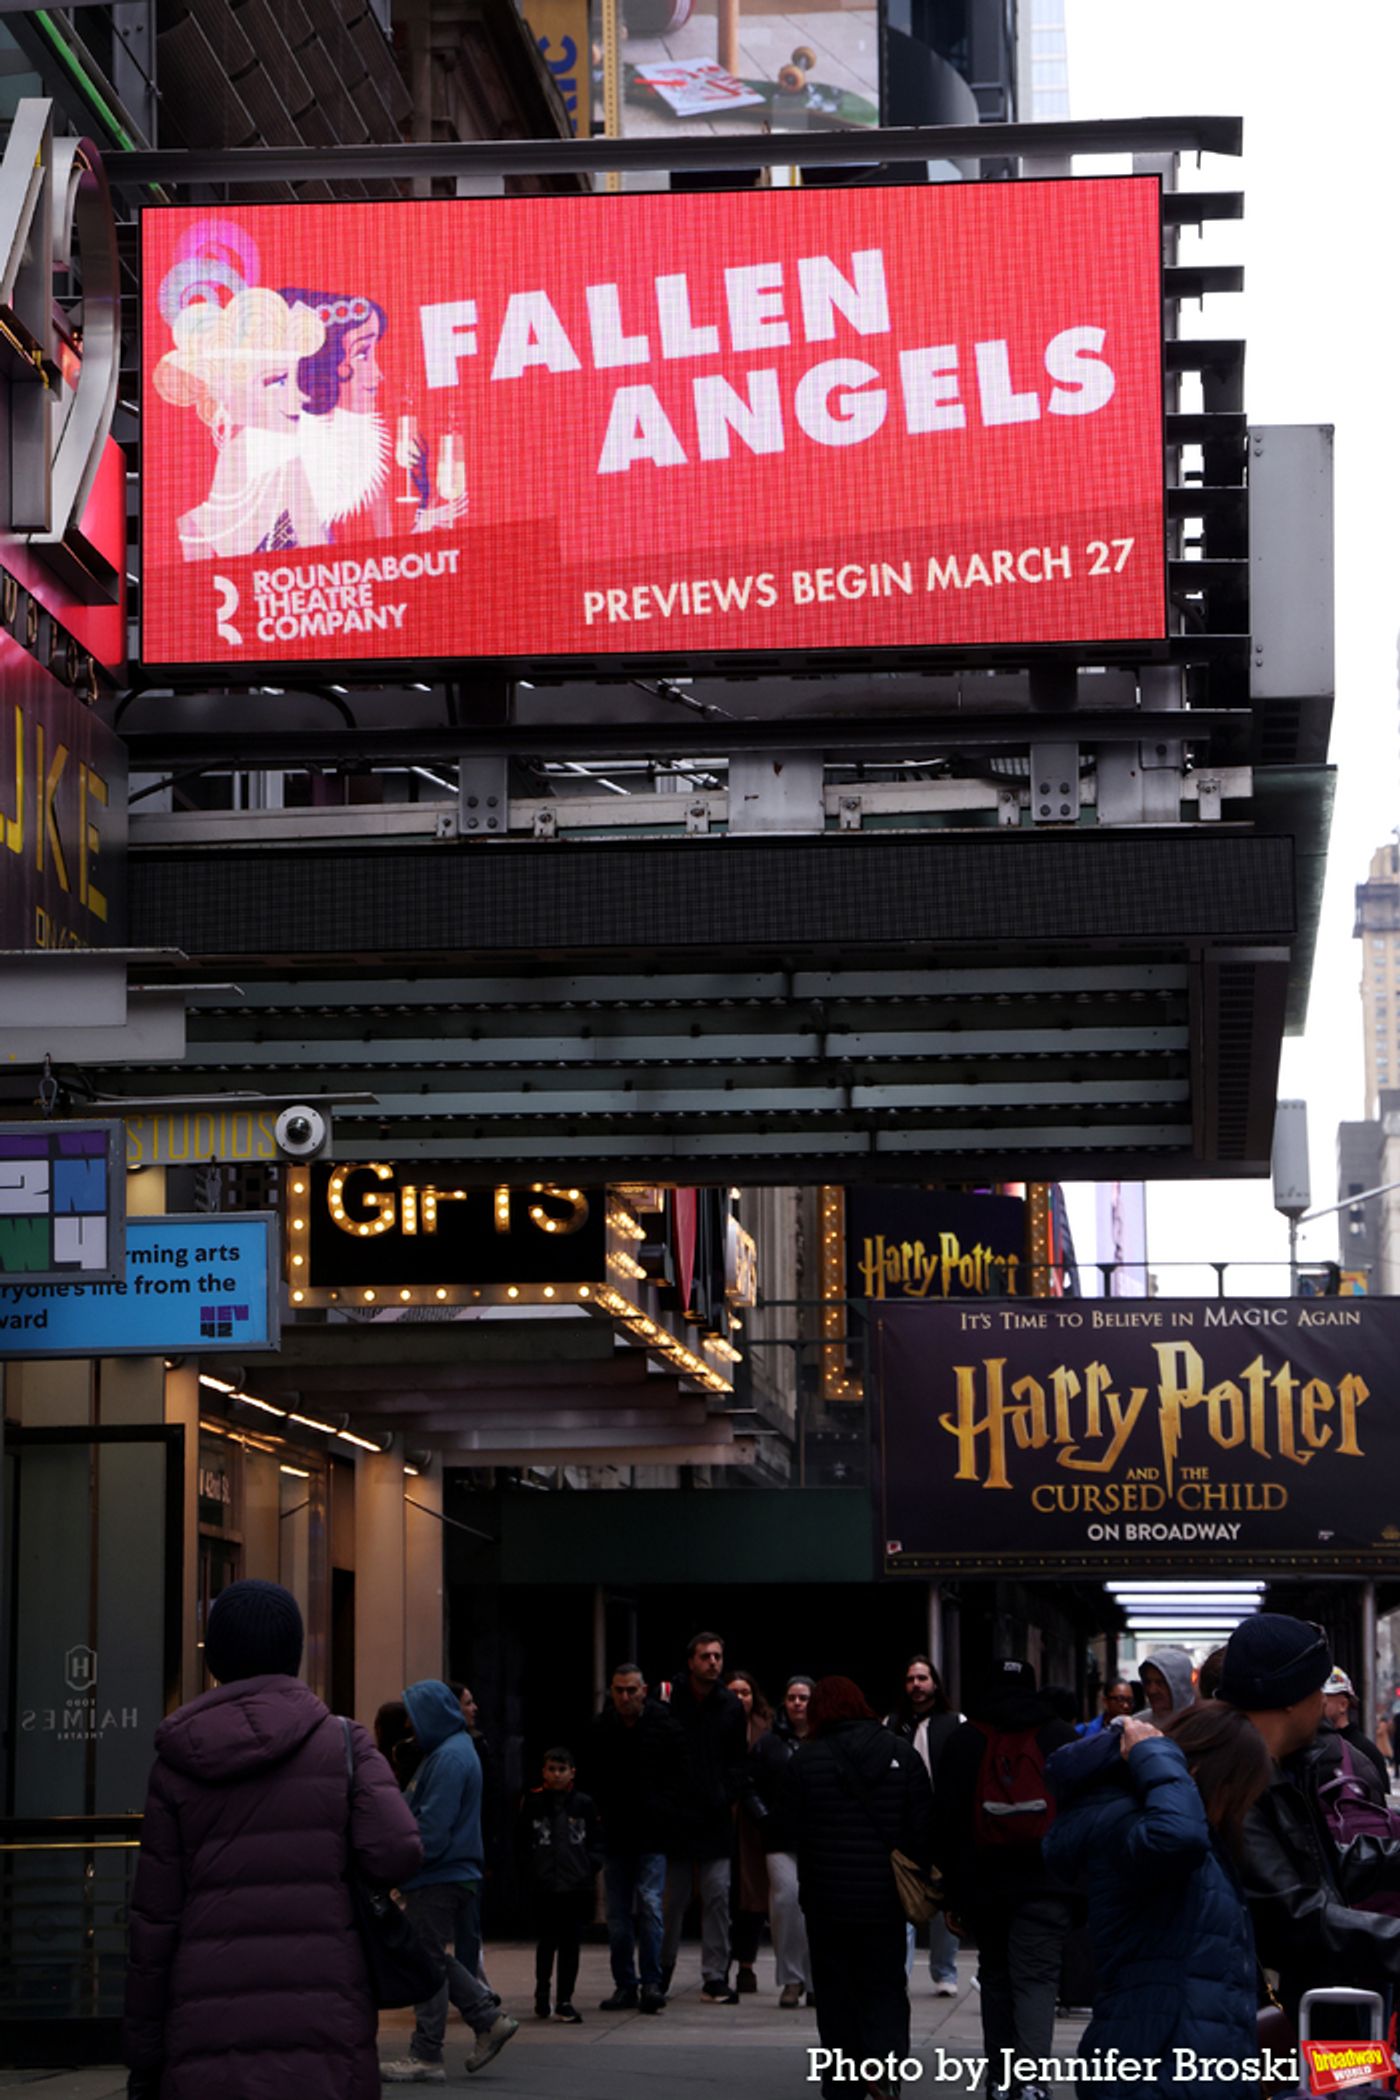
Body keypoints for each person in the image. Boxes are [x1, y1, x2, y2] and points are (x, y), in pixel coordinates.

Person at [124, 1579, 423, 2100]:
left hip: (207, 2021)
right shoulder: (343, 1743)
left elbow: (154, 1925)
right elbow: (398, 1849)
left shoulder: (176, 1763)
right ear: (294, 1654)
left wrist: (146, 2055)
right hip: (324, 2010)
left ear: (215, 1658)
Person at [1044, 1701, 1271, 2099]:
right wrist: (1157, 1754)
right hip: (1152, 2067)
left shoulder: (1191, 1835)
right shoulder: (1133, 1821)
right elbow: (1176, 1839)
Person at [1220, 1613, 1400, 2021]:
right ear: (1289, 1696)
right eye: (1318, 1688)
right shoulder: (1235, 1783)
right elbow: (1295, 1915)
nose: (1324, 1702)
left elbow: (1324, 1863)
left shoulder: (1267, 1769)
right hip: (1230, 2026)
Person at [932, 1659, 1078, 2100]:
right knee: (1037, 1981)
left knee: (995, 1978)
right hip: (1047, 1885)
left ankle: (1001, 2080)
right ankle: (1031, 2083)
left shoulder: (965, 1740)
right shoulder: (1059, 1738)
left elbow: (948, 1824)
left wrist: (952, 1895)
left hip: (985, 1887)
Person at [789, 1674, 933, 2100]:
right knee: (885, 1985)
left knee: (835, 1993)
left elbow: (790, 1828)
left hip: (826, 1900)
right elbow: (922, 1826)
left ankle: (842, 2081)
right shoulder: (901, 1754)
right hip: (884, 1899)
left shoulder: (805, 1760)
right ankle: (884, 2064)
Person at [380, 1679, 518, 2082]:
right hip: (448, 1873)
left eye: (413, 1714)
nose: (409, 1723)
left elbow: (432, 1831)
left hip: (437, 1874)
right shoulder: (451, 1752)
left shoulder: (448, 1758)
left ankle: (426, 2053)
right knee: (432, 1956)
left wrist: (401, 1863)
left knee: (424, 1961)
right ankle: (487, 2018)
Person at [279, 285, 466, 541]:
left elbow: (381, 561)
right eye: (362, 354)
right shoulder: (287, 464)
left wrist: (423, 524)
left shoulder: (361, 455)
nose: (379, 374)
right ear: (325, 364)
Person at [586, 1660, 685, 2013]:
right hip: (617, 1832)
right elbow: (594, 1776)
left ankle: (650, 1982)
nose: (625, 1696)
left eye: (631, 1690)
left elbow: (678, 1775)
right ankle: (627, 1984)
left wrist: (665, 1812)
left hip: (652, 1832)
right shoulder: (603, 1728)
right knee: (619, 1917)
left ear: (643, 1690)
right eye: (619, 1690)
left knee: (650, 1908)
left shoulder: (662, 1726)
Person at [661, 1630, 751, 2004]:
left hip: (713, 1815)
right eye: (705, 1657)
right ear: (691, 1661)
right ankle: (660, 1970)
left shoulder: (729, 1704)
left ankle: (715, 1973)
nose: (713, 1662)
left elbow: (737, 1759)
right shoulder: (669, 1699)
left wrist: (725, 1793)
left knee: (717, 1896)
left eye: (717, 1656)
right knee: (672, 1900)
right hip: (677, 1816)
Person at [886, 1654, 962, 1995]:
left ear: (935, 1683)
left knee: (945, 1895)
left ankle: (945, 1971)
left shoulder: (954, 1722)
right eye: (910, 1679)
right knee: (902, 1896)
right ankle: (899, 1972)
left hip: (943, 1822)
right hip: (903, 1823)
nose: (916, 1685)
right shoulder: (891, 1724)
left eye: (922, 1678)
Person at [517, 1745, 604, 2024]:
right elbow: (520, 1840)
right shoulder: (531, 1802)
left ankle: (565, 1998)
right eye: (551, 1769)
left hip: (576, 1885)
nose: (556, 1775)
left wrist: (590, 1866)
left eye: (561, 1770)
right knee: (547, 1941)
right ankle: (543, 1992)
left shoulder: (583, 1804)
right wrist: (530, 1869)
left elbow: (596, 1839)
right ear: (543, 1771)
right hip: (544, 1884)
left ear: (572, 1773)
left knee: (571, 1944)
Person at [751, 1674, 815, 2008]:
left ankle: (817, 1979)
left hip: (820, 1836)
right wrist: (765, 1816)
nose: (797, 1703)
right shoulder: (769, 1742)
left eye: (804, 1697)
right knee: (787, 1903)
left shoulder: (825, 1740)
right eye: (792, 1698)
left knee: (818, 1908)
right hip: (780, 1836)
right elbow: (749, 1783)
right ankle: (792, 1978)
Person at [726, 1668, 774, 1995]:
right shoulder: (713, 1724)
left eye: (745, 1692)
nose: (740, 1698)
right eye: (734, 1692)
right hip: (722, 1818)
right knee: (721, 1895)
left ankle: (746, 1964)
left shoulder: (767, 1728)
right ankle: (718, 1965)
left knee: (753, 1897)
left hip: (755, 1823)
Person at [1321, 1667, 1391, 1794]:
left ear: (1343, 1705)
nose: (1317, 1703)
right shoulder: (1309, 1744)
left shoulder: (1365, 1751)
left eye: (1324, 1697)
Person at [1137, 1648, 1197, 1722]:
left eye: (1160, 1683)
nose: (1152, 1690)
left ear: (1180, 1685)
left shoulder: (1201, 1724)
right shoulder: (1136, 1723)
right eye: (1147, 1682)